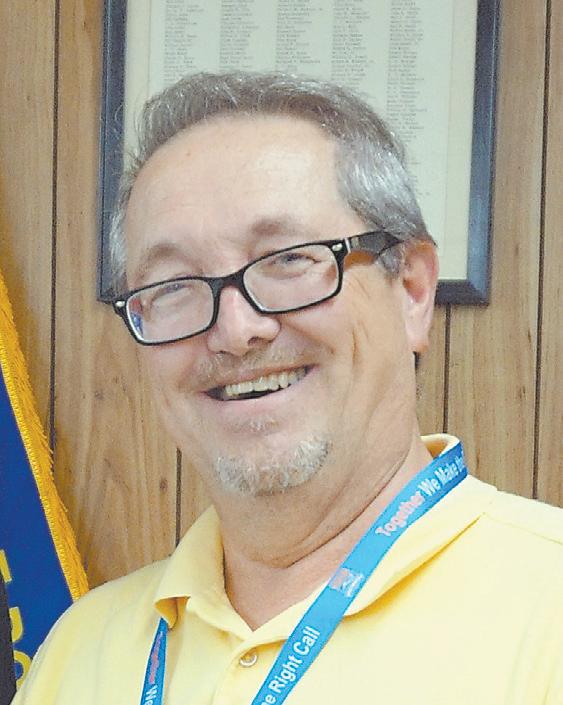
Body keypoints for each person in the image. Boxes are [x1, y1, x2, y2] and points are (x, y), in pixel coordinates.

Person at [13, 73, 563, 705]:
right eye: (173, 285)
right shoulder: (78, 650)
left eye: (289, 259)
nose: (235, 330)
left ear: (412, 291)